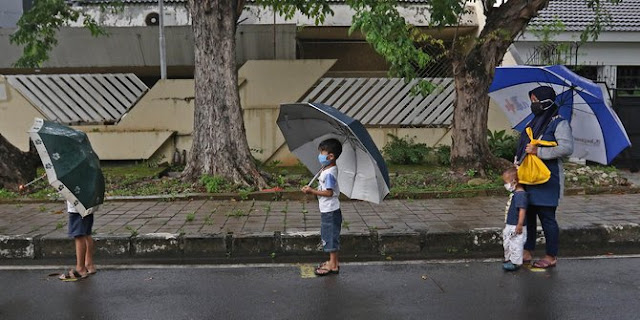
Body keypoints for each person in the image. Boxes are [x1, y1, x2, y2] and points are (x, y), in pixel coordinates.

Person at [515, 86, 574, 269]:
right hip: (529, 178)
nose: (533, 104)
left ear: (546, 102)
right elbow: (523, 146)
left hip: (549, 179)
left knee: (547, 218)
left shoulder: (559, 123)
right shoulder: (533, 123)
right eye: (532, 101)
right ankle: (527, 250)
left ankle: (551, 255)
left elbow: (566, 148)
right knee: (528, 216)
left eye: (535, 101)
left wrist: (538, 151)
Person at [301, 138, 342, 276]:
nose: (320, 156)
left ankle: (333, 264)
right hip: (328, 209)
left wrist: (312, 191)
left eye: (322, 153)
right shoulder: (327, 169)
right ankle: (332, 261)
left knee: (330, 237)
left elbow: (329, 192)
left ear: (330, 156)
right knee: (328, 235)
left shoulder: (330, 173)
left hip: (330, 210)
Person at [58, 200, 96, 281]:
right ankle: (89, 265)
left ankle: (80, 269)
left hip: (76, 203)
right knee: (86, 233)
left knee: (79, 235)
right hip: (88, 202)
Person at [501, 167, 527, 271]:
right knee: (508, 242)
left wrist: (520, 224)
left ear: (514, 182)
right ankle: (509, 258)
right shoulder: (515, 194)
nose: (506, 185)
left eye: (506, 182)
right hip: (510, 223)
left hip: (516, 225)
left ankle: (515, 262)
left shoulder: (521, 195)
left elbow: (522, 210)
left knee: (516, 244)